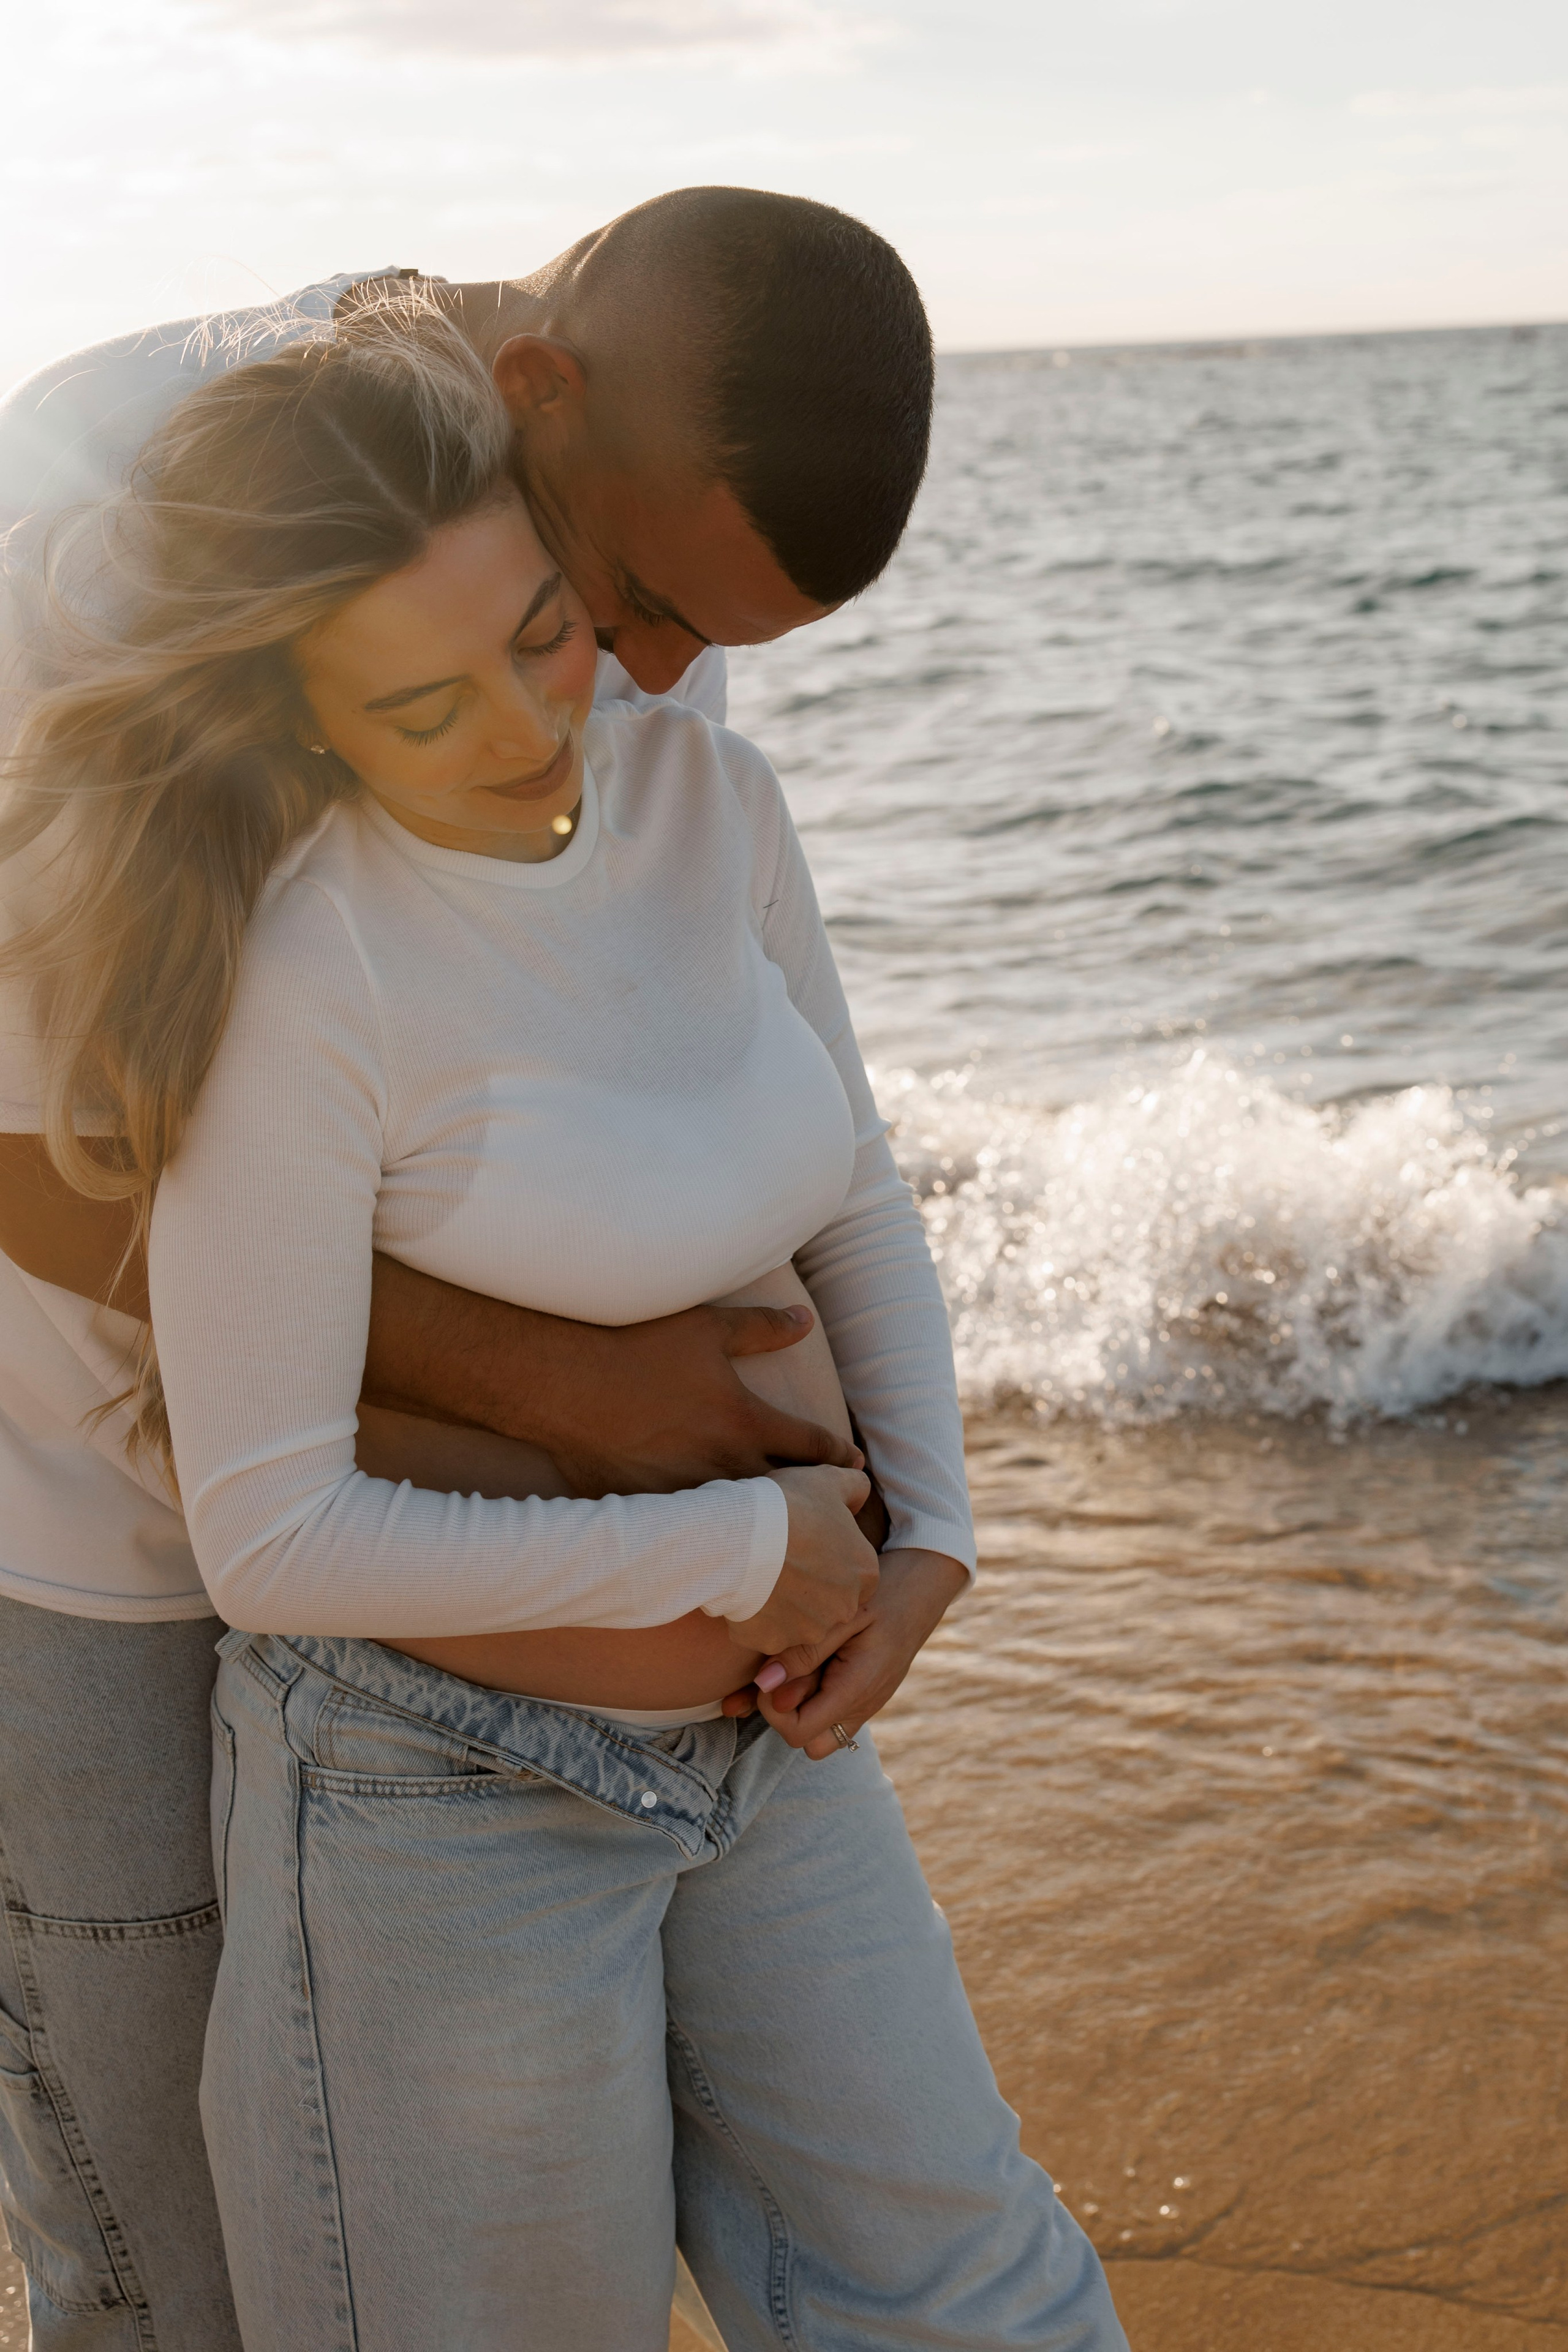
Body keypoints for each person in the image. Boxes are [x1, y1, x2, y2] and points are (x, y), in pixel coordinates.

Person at [8, 302, 1126, 2349]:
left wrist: (933, 1536)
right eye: (419, 705)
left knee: (986, 2292)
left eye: (546, 637)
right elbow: (265, 1517)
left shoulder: (703, 787)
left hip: (761, 1738)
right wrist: (721, 1525)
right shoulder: (290, 940)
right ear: (307, 713)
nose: (542, 718)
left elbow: (854, 1180)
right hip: (403, 1752)